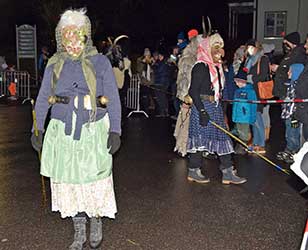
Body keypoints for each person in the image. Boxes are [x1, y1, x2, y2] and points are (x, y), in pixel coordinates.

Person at [30, 9, 121, 250]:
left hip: (93, 130)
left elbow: (112, 96)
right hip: (62, 132)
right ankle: (79, 229)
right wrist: (37, 128)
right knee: (70, 181)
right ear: (61, 38)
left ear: (85, 36)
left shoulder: (100, 62)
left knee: (93, 179)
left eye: (76, 35)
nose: (71, 41)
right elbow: (43, 99)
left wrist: (116, 130)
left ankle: (96, 220)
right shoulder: (54, 64)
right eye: (66, 35)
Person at [186, 32, 247, 185]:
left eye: (221, 48)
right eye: (216, 47)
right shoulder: (200, 66)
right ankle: (193, 171)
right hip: (202, 106)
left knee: (223, 138)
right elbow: (193, 91)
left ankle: (228, 173)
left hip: (215, 106)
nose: (219, 52)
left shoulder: (217, 67)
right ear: (207, 48)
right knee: (199, 140)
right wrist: (201, 111)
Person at [244, 39, 269, 153]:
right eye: (248, 47)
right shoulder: (249, 60)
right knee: (253, 118)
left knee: (257, 117)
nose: (249, 49)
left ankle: (261, 143)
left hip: (258, 92)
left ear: (256, 47)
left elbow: (264, 75)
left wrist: (251, 78)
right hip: (250, 91)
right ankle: (255, 142)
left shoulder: (262, 59)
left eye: (251, 47)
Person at [276, 63, 304, 163]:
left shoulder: (298, 86)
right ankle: (289, 149)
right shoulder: (290, 84)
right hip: (288, 113)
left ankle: (293, 151)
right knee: (288, 133)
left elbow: (297, 102)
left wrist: (295, 115)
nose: (288, 73)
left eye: (290, 71)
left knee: (293, 134)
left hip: (293, 115)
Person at [232, 71, 257, 155]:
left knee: (245, 133)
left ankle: (242, 147)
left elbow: (253, 106)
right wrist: (234, 116)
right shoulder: (237, 91)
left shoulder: (250, 92)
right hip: (238, 116)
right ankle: (240, 147)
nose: (236, 84)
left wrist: (252, 118)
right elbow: (235, 105)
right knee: (240, 132)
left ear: (243, 81)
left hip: (245, 117)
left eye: (238, 82)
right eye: (235, 82)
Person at [152, 51, 170, 117]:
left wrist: (153, 65)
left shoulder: (162, 63)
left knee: (160, 97)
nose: (158, 57)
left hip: (160, 82)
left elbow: (158, 71)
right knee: (163, 97)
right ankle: (165, 111)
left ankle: (163, 112)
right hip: (162, 82)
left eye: (159, 56)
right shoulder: (164, 62)